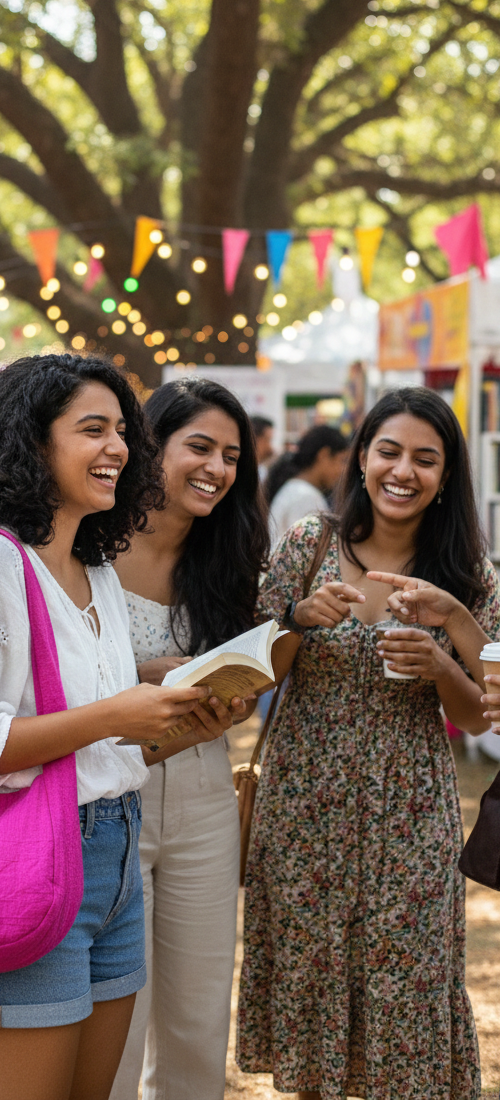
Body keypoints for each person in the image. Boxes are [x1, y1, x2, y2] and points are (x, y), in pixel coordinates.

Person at [0, 353, 237, 1101]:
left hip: (116, 855)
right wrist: (115, 713)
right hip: (32, 853)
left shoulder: (93, 563)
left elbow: (91, 713)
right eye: (92, 428)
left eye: (123, 431)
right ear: (32, 443)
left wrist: (173, 693)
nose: (120, 448)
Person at [237, 387, 499, 1100]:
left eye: (425, 458)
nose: (402, 471)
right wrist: (297, 617)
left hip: (410, 810)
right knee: (314, 980)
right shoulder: (308, 543)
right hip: (304, 806)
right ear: (362, 457)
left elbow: (480, 717)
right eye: (389, 451)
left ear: (447, 476)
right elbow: (254, 671)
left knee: (405, 983)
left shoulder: (469, 576)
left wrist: (442, 659)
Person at [111, 377, 270, 1101]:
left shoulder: (229, 558)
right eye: (199, 446)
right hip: (109, 790)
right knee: (118, 1013)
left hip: (206, 787)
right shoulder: (87, 546)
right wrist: (151, 672)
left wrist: (230, 698)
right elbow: (49, 670)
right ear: (152, 446)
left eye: (232, 455)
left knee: (200, 1012)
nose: (216, 468)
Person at [265, 424, 348, 544]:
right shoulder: (305, 496)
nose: (343, 470)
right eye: (342, 460)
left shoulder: (296, 489)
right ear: (324, 455)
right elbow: (310, 554)